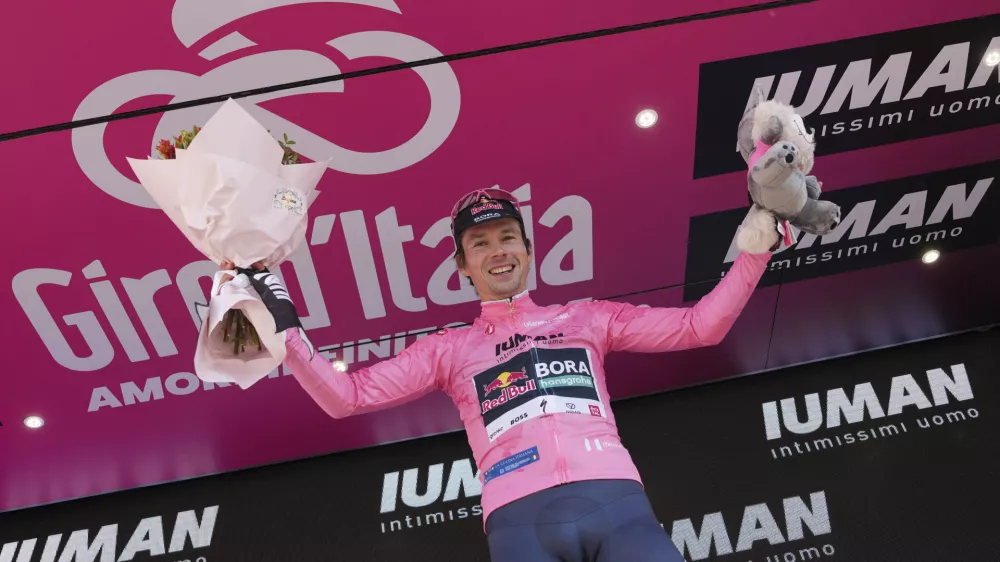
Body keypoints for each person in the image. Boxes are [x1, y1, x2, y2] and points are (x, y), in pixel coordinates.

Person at [222, 188, 775, 562]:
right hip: (519, 523)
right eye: (479, 244)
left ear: (529, 250)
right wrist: (285, 329)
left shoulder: (588, 317)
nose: (497, 252)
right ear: (463, 267)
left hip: (618, 506)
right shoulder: (450, 349)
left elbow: (702, 326)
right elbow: (349, 397)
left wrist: (757, 245)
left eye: (507, 237)